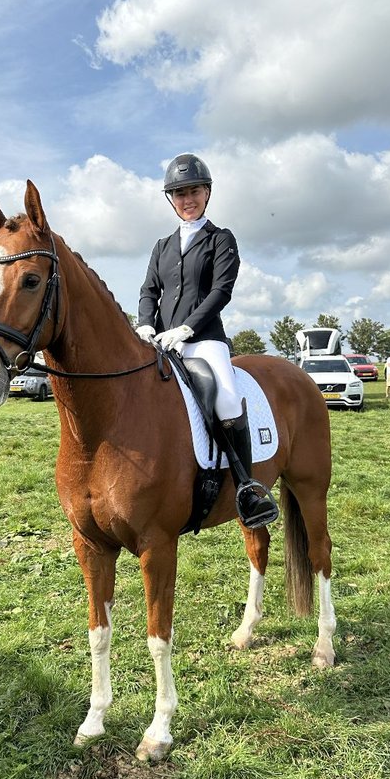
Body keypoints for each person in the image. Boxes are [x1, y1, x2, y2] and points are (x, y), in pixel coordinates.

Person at [136, 153, 279, 528]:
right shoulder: (161, 246)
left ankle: (248, 488)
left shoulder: (221, 239)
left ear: (207, 192)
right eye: (179, 193)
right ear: (171, 199)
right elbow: (149, 290)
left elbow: (221, 291)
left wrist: (187, 328)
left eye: (194, 191)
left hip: (204, 340)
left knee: (228, 397)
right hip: (162, 341)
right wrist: (145, 324)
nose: (188, 199)